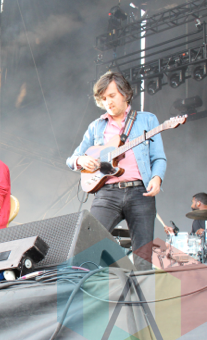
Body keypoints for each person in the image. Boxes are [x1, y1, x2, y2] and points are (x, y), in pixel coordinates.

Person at [67, 71, 166, 271]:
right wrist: (81, 160)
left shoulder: (147, 120)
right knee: (86, 246)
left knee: (143, 258)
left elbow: (159, 157)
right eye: (103, 99)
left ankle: (140, 291)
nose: (108, 102)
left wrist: (157, 178)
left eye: (111, 96)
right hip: (107, 194)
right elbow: (71, 159)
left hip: (140, 193)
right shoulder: (96, 127)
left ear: (125, 94)